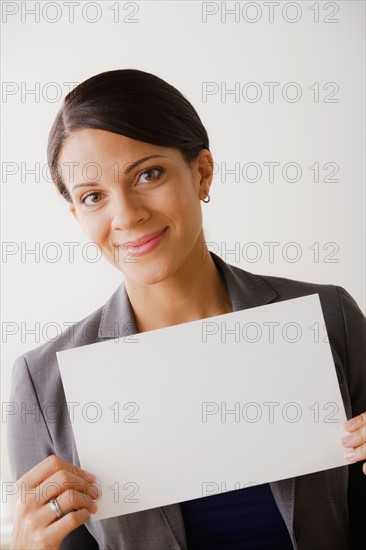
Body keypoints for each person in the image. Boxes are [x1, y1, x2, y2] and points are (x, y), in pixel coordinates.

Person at [7, 69, 366, 550]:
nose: (127, 214)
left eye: (148, 174)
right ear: (77, 214)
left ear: (201, 172)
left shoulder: (328, 317)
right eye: (94, 197)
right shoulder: (43, 381)